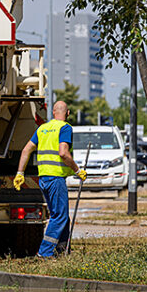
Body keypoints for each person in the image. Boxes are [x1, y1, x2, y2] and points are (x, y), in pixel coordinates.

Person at [14, 101, 87, 257]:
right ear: (67, 114)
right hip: (55, 179)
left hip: (43, 179)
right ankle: (45, 252)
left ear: (53, 113)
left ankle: (62, 249)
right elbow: (63, 153)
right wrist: (78, 170)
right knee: (59, 216)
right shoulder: (65, 128)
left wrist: (20, 173)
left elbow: (26, 149)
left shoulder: (42, 128)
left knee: (61, 215)